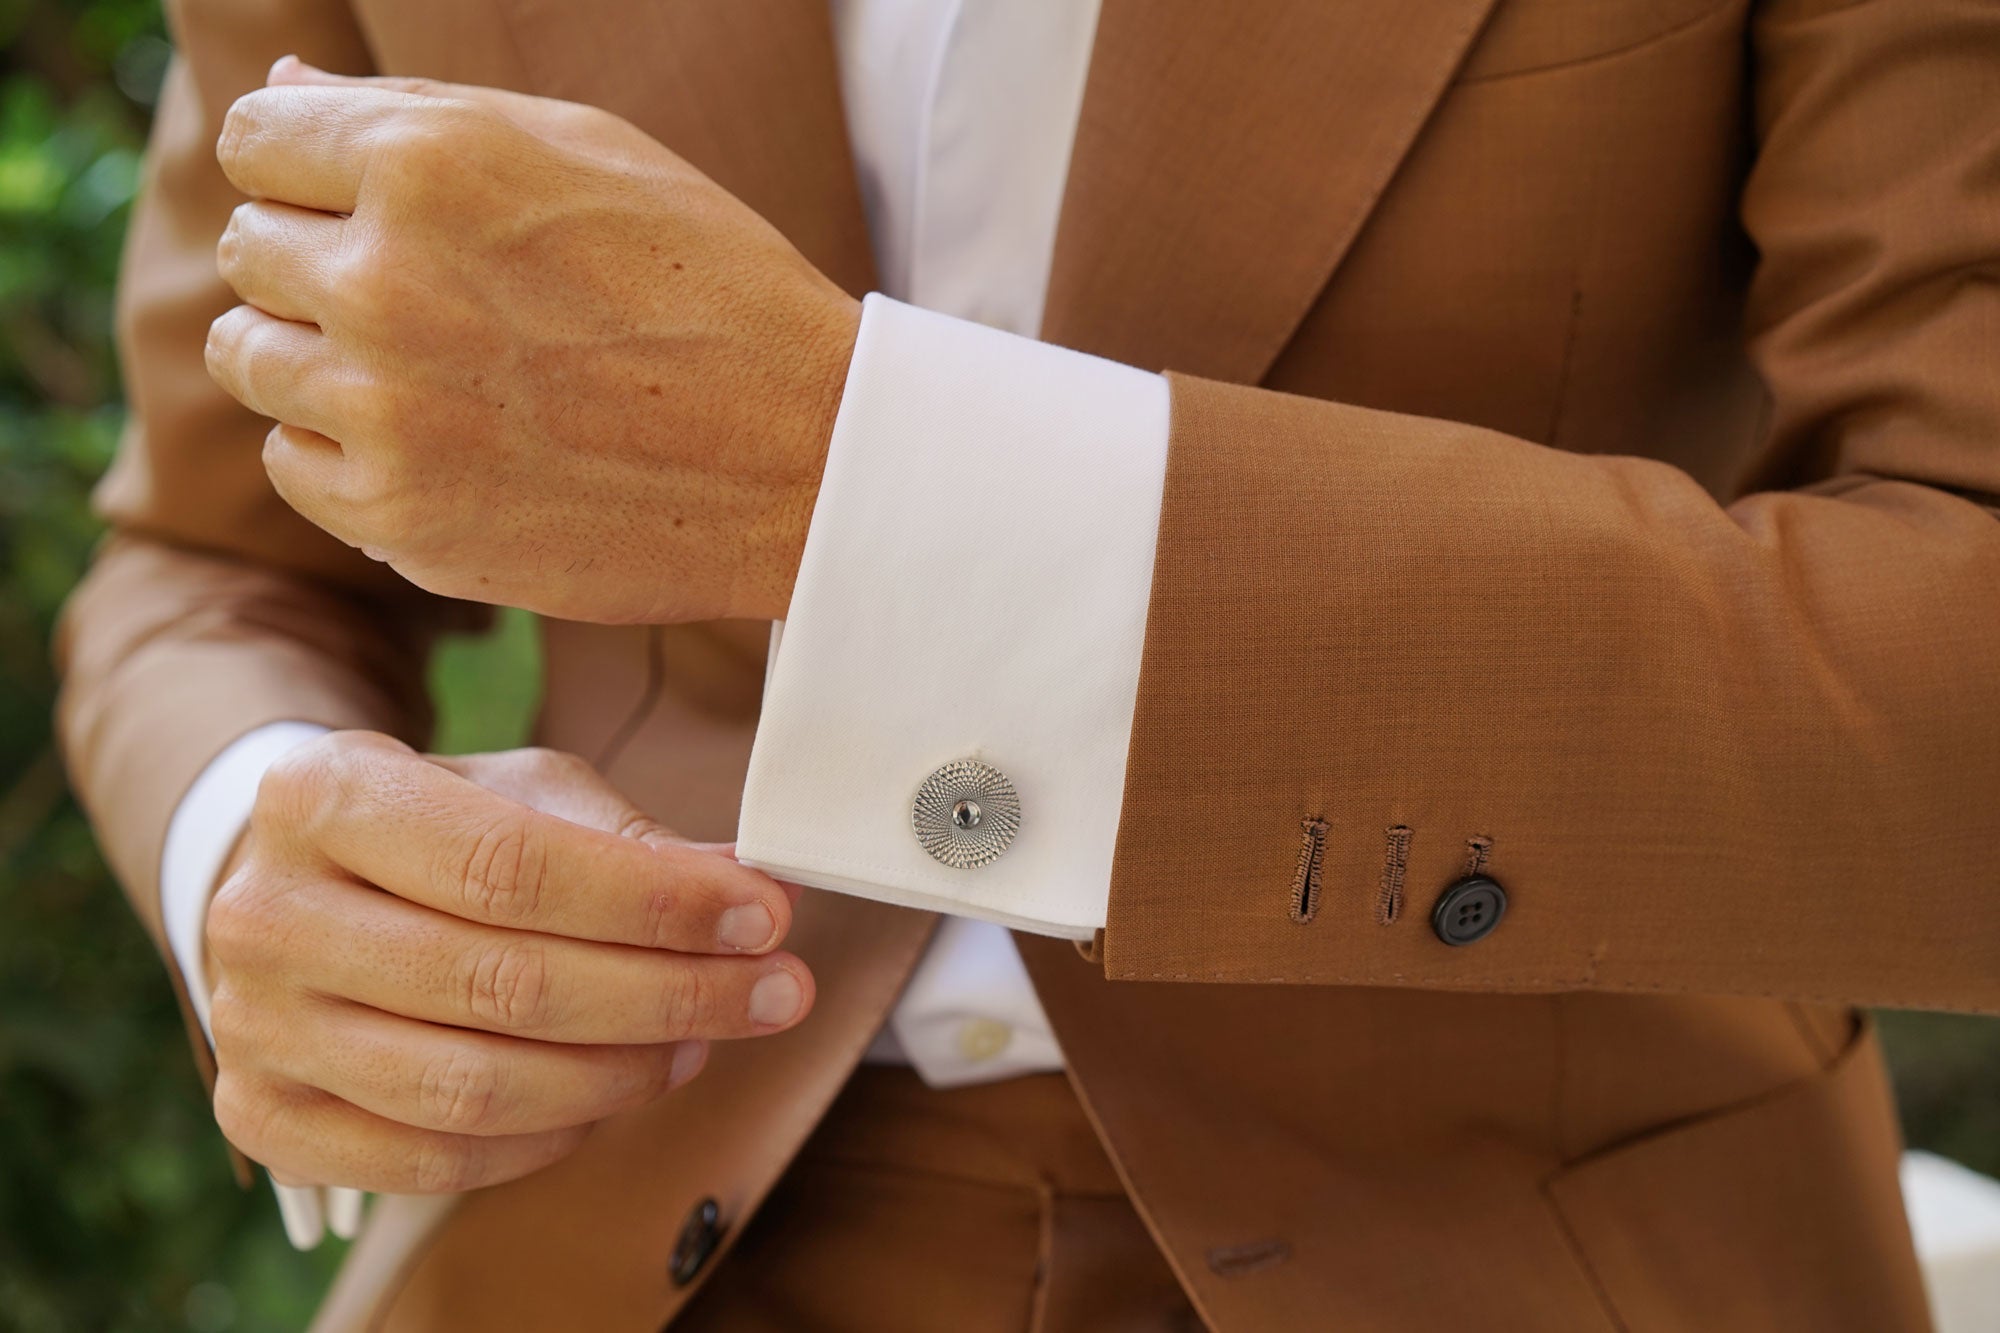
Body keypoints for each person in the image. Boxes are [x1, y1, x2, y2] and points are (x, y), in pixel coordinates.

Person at [56, 0, 2000, 1329]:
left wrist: (866, 475)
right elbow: (198, 565)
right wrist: (257, 839)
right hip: (624, 1223)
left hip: (1539, 1233)